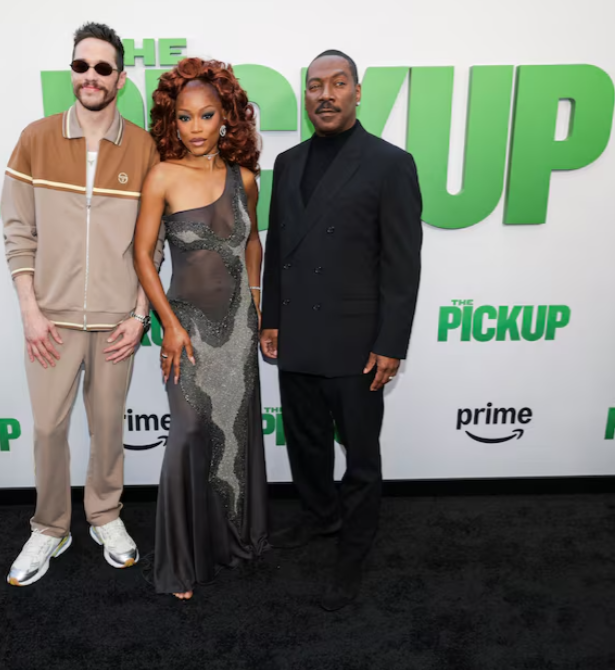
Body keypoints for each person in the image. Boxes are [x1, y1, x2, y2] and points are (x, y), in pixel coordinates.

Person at [0, 22, 163, 586]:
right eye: (81, 65)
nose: (90, 76)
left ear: (120, 79)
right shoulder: (36, 138)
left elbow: (152, 243)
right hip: (51, 320)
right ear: (72, 71)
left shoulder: (143, 147)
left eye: (102, 68)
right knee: (48, 427)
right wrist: (30, 310)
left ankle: (105, 515)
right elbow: (18, 231)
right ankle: (50, 526)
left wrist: (140, 314)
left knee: (109, 426)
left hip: (118, 320)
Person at [260, 50, 423, 611]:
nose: (325, 95)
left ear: (357, 92)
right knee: (305, 441)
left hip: (357, 342)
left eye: (337, 84)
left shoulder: (390, 163)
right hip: (298, 333)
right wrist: (272, 318)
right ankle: (320, 516)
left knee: (359, 453)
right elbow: (280, 248)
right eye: (315, 86)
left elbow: (402, 263)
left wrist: (391, 343)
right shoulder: (287, 162)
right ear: (306, 95)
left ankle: (355, 546)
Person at [133, 57, 269, 600]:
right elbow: (143, 255)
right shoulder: (163, 176)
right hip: (184, 326)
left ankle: (232, 541)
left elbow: (252, 241)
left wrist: (256, 301)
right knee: (189, 431)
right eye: (184, 117)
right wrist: (167, 324)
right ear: (173, 121)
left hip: (239, 329)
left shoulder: (246, 180)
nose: (195, 128)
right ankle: (180, 563)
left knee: (233, 436)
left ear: (226, 117)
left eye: (206, 115)